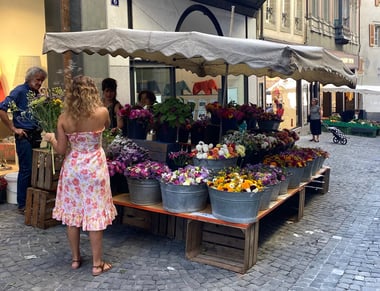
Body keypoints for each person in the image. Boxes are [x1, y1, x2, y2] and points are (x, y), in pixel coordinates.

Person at [43, 75, 117, 276]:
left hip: (73, 168)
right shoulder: (102, 112)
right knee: (94, 214)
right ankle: (96, 264)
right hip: (95, 168)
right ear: (93, 91)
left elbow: (60, 150)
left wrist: (50, 138)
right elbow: (107, 127)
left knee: (73, 216)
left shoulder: (64, 118)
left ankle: (76, 259)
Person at [0, 66, 47, 214]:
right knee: (26, 170)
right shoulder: (19, 91)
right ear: (29, 78)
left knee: (34, 170)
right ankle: (23, 204)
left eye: (42, 80)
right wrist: (14, 128)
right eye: (37, 80)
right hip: (24, 136)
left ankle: (31, 201)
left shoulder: (35, 94)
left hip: (36, 135)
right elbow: (2, 108)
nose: (40, 83)